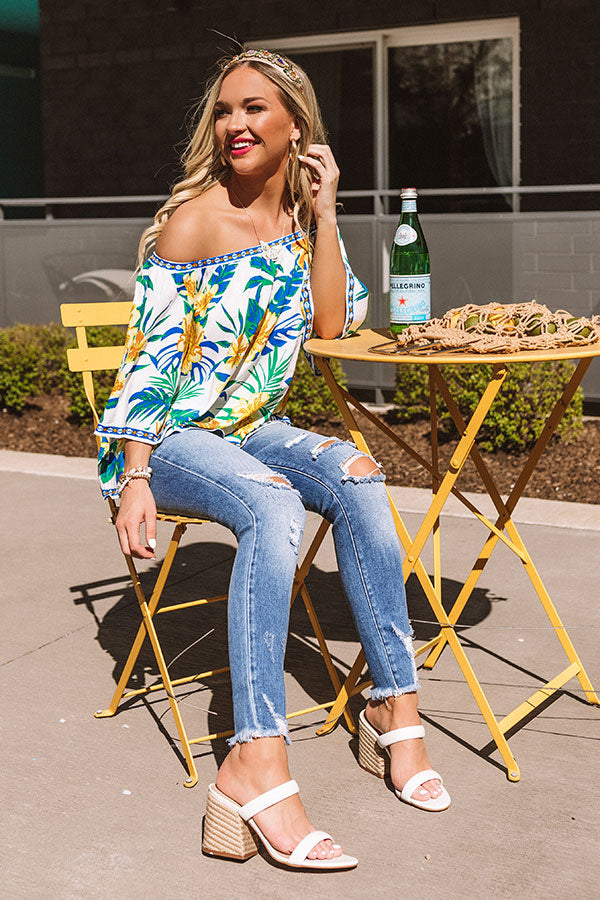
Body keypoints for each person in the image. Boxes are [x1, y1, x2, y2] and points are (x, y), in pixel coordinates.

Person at [95, 48, 450, 872]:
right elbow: (148, 365)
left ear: (297, 124)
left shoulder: (298, 215)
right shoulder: (193, 219)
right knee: (276, 506)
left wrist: (326, 216)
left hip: (250, 426)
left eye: (255, 109)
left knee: (361, 478)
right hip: (167, 437)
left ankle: (392, 707)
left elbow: (330, 325)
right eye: (225, 111)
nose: (235, 125)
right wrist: (137, 476)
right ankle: (255, 763)